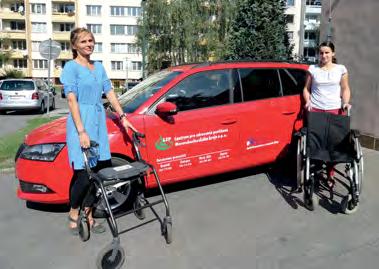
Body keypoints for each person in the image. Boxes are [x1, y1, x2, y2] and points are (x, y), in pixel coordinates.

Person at [60, 27, 137, 235]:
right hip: (81, 122)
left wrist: (123, 117)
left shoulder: (99, 67)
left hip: (98, 122)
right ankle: (74, 212)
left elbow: (110, 93)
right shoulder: (71, 68)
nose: (89, 44)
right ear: (75, 45)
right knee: (84, 174)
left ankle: (90, 213)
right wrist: (81, 131)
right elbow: (71, 99)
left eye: (91, 41)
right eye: (84, 41)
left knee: (99, 173)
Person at [303, 41, 352, 188]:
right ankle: (317, 169)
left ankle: (330, 172)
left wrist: (345, 102)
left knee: (334, 144)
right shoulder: (313, 69)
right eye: (321, 52)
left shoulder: (340, 69)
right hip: (316, 109)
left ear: (333, 54)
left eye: (327, 52)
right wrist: (308, 101)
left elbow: (345, 89)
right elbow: (306, 89)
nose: (324, 55)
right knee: (317, 142)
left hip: (334, 109)